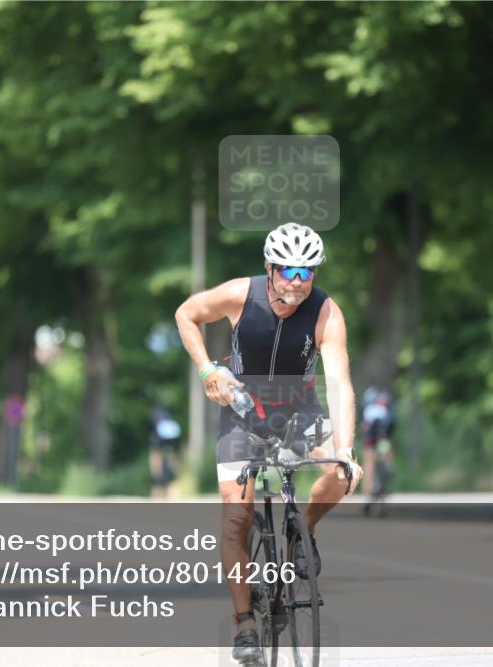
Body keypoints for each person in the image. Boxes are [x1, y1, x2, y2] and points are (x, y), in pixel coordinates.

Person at [174, 222, 363, 664]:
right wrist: (207, 370)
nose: (297, 282)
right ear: (270, 268)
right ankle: (244, 625)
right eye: (288, 271)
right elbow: (186, 313)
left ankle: (306, 530)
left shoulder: (326, 313)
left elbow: (340, 384)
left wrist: (347, 448)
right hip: (243, 412)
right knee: (236, 517)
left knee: (342, 473)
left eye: (307, 272)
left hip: (300, 412)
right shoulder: (242, 294)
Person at [360, 386, 396, 512]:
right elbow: (392, 425)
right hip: (384, 438)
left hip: (370, 439)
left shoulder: (367, 405)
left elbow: (363, 425)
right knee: (386, 459)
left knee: (368, 465)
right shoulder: (388, 404)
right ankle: (387, 473)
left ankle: (367, 494)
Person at [149, 405, 181, 498]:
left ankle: (157, 478)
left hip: (161, 435)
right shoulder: (168, 418)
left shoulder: (155, 419)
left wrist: (155, 472)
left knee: (156, 454)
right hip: (171, 435)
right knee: (170, 453)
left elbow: (154, 450)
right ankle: (171, 473)